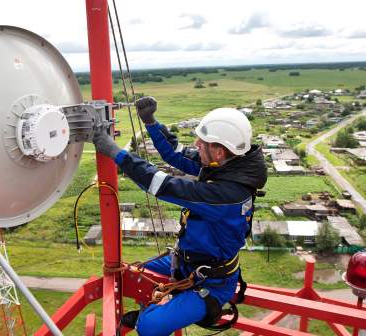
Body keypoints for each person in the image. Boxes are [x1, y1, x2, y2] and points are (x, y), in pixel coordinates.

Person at [92, 96, 267, 336]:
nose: (196, 144)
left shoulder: (226, 194)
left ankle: (146, 316)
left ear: (218, 151)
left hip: (211, 281)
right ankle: (157, 305)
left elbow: (161, 184)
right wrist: (151, 122)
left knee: (148, 327)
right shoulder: (228, 167)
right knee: (136, 277)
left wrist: (116, 153)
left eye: (201, 142)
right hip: (187, 261)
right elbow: (176, 154)